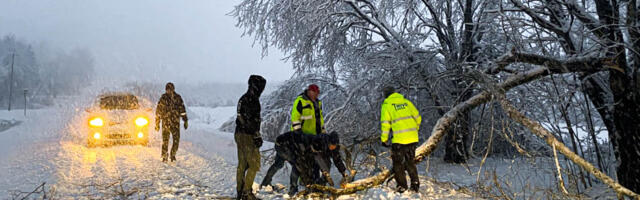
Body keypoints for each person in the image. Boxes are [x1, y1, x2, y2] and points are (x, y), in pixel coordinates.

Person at [379, 86, 421, 193]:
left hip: (399, 140)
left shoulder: (387, 105)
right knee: (410, 162)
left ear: (386, 95)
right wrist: (414, 130)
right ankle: (415, 185)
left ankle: (402, 187)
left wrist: (384, 139)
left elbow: (385, 124)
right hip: (412, 138)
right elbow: (418, 117)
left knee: (398, 164)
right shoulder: (406, 102)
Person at [235, 75, 266, 200]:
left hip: (239, 134)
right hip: (247, 136)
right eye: (261, 87)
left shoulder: (243, 98)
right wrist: (256, 135)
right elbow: (249, 121)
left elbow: (242, 118)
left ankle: (240, 191)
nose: (262, 90)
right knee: (254, 164)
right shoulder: (252, 100)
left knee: (242, 164)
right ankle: (246, 192)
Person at [259, 131, 316, 196]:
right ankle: (293, 189)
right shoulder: (305, 143)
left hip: (280, 143)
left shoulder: (309, 140)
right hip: (284, 146)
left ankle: (265, 183)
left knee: (278, 164)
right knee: (296, 165)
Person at [155, 82, 188, 163]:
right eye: (167, 90)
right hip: (166, 122)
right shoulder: (163, 98)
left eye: (170, 89)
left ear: (173, 89)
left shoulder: (178, 98)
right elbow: (158, 111)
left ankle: (173, 155)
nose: (169, 91)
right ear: (166, 90)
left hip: (175, 123)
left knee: (176, 140)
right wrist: (157, 123)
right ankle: (164, 156)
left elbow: (182, 110)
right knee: (165, 141)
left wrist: (185, 120)